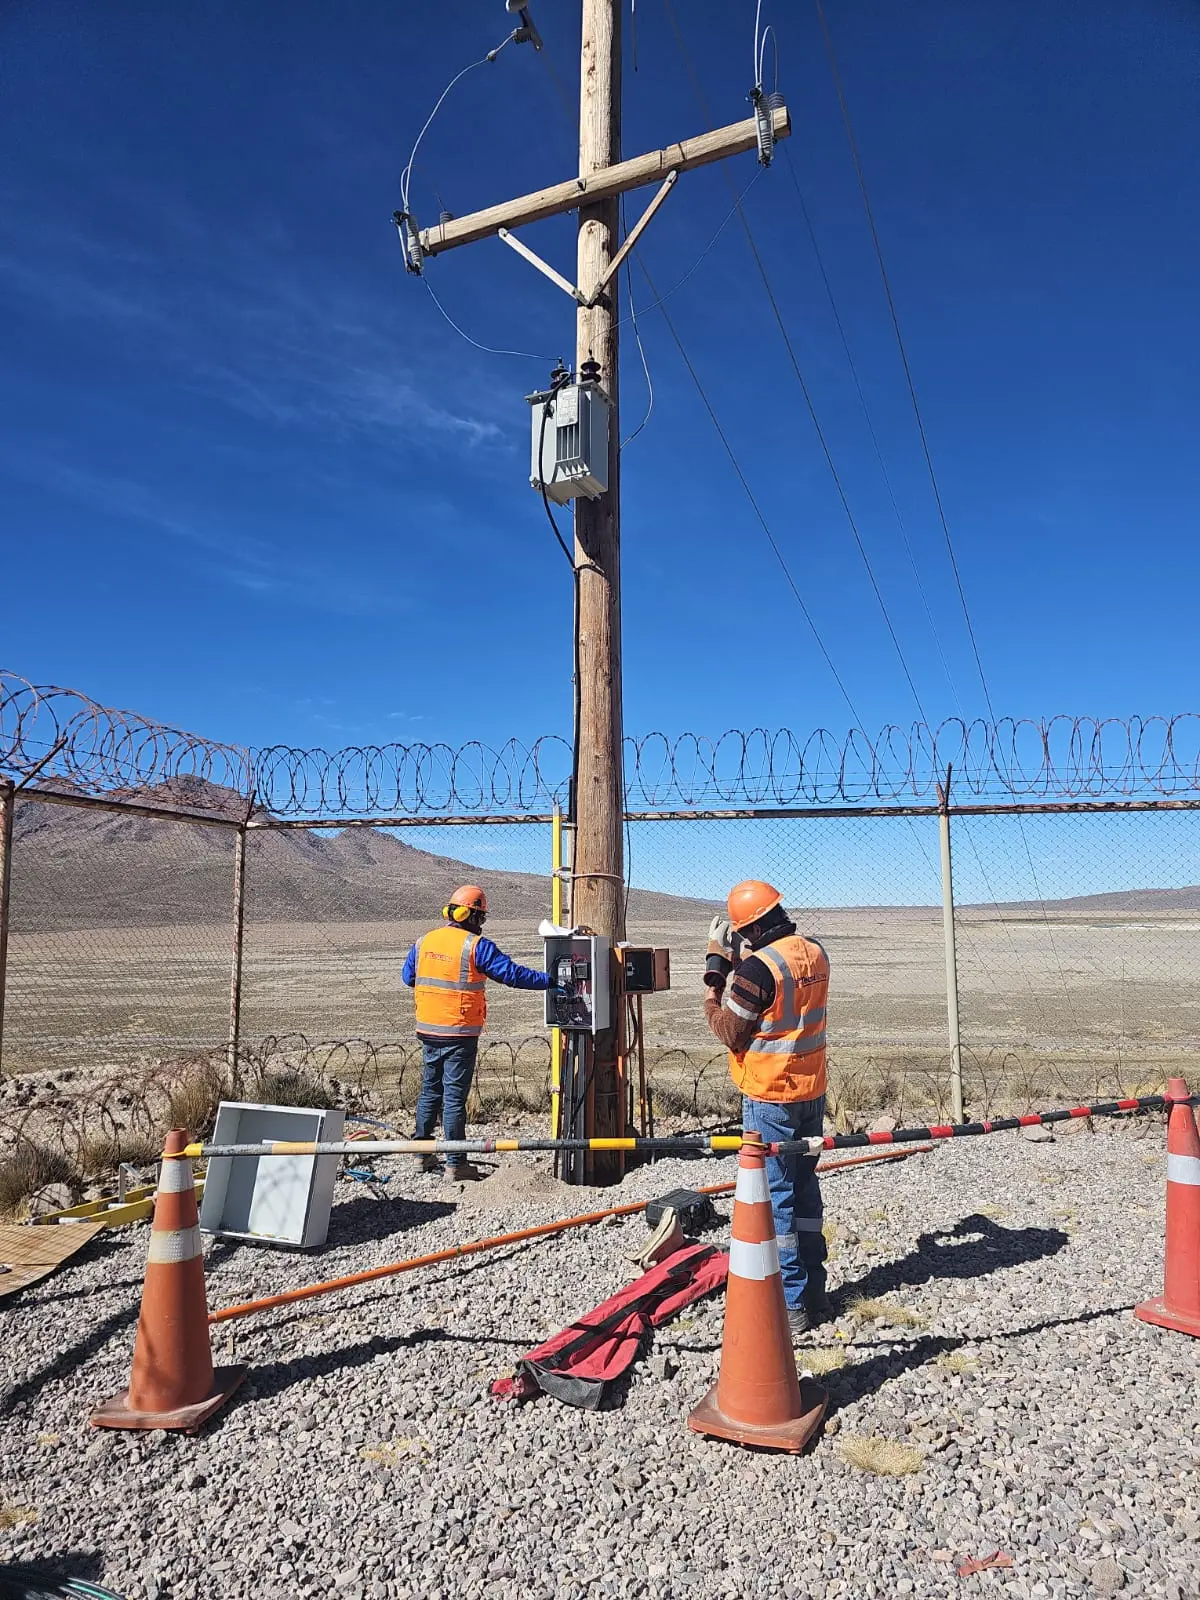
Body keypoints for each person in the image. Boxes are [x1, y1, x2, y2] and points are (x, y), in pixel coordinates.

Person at [702, 879, 831, 1335]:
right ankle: (816, 1290)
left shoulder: (757, 970)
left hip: (770, 1095)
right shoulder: (814, 951)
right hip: (810, 1091)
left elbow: (731, 1031)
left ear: (749, 929)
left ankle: (791, 1306)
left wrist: (712, 986)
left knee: (775, 1201)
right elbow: (779, 982)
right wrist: (737, 962)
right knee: (804, 1191)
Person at [402, 885, 549, 1183]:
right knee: (454, 1099)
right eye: (480, 918)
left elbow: (408, 977)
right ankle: (456, 1164)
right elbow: (512, 975)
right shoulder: (475, 946)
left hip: (428, 1030)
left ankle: (422, 1154)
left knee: (430, 1091)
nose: (481, 925)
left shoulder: (424, 941)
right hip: (458, 1033)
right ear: (470, 915)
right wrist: (551, 982)